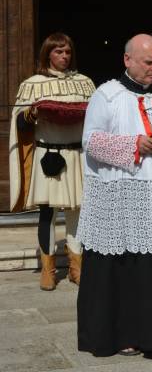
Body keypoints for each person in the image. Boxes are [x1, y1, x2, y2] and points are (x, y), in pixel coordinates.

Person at [76, 34, 152, 357]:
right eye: (148, 62)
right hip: (122, 198)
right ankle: (125, 333)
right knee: (128, 269)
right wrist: (134, 145)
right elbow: (91, 141)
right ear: (127, 60)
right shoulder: (107, 95)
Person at [9, 33, 95, 291]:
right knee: (48, 212)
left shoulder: (85, 83)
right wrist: (32, 112)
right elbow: (20, 124)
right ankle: (47, 269)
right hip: (48, 154)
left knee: (76, 211)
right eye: (58, 52)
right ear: (47, 54)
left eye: (67, 51)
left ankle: (76, 266)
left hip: (77, 153)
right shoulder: (32, 84)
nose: (64, 56)